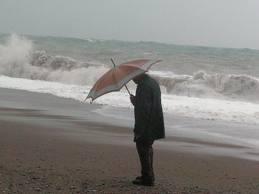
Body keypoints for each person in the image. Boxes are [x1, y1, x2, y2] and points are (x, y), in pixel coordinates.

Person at [130, 73, 165, 186]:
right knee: (148, 148)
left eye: (133, 77)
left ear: (138, 75)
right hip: (155, 120)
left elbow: (144, 108)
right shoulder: (152, 82)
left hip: (146, 123)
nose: (132, 80)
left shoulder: (143, 86)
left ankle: (147, 178)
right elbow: (148, 102)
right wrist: (137, 101)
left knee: (142, 148)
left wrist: (135, 102)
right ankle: (149, 175)